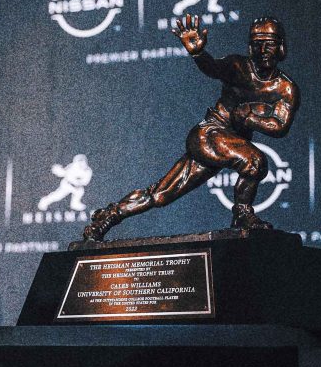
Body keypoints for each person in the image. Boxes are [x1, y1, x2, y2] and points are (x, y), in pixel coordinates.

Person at [83, 15, 300, 241]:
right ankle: (242, 214)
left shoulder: (286, 89)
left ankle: (109, 215)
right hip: (209, 134)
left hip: (228, 144)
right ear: (250, 47)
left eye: (269, 44)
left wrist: (249, 118)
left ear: (281, 46)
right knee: (254, 161)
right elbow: (213, 67)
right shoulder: (238, 67)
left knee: (161, 195)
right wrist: (199, 54)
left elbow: (280, 126)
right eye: (257, 44)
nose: (263, 50)